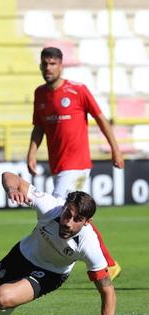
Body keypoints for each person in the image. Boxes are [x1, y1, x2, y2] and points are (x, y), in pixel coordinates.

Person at [0, 172, 116, 315]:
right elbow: (9, 176)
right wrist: (12, 189)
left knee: (2, 297)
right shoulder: (49, 207)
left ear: (87, 222)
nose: (68, 222)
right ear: (63, 207)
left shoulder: (89, 244)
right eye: (67, 214)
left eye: (77, 219)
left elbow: (107, 291)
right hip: (22, 254)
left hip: (51, 273)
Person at [27, 46, 123, 280]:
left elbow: (100, 118)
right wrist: (31, 153)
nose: (48, 68)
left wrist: (115, 149)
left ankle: (47, 260)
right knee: (73, 212)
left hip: (77, 163)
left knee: (59, 211)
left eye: (52, 64)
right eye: (45, 64)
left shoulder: (78, 91)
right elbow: (39, 126)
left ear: (61, 66)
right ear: (40, 66)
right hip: (58, 165)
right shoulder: (40, 93)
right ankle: (108, 263)